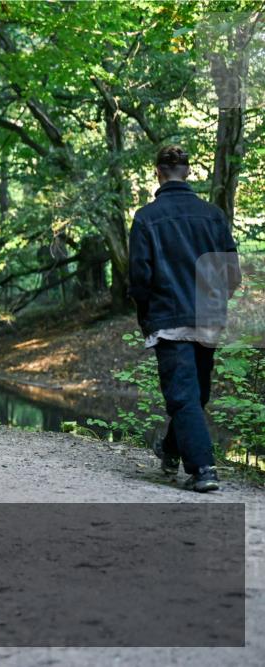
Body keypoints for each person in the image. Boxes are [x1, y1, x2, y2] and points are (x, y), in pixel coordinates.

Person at [128, 145, 241, 492]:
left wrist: (147, 314)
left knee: (186, 396)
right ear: (188, 172)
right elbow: (232, 273)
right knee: (193, 395)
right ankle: (179, 453)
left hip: (170, 318)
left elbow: (139, 278)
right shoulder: (213, 216)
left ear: (158, 172)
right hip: (207, 317)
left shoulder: (146, 218)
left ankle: (202, 468)